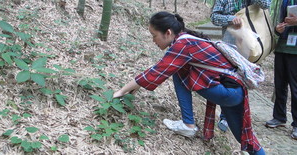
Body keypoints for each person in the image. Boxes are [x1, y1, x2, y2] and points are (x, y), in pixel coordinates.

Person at [113, 11, 265, 155]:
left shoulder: (183, 44)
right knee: (244, 138)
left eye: (154, 36)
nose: (153, 41)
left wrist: (121, 91)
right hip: (233, 91)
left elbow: (156, 71)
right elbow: (157, 72)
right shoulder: (188, 39)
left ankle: (188, 124)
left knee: (178, 71)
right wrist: (136, 86)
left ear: (168, 33)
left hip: (228, 92)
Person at [210, 0, 270, 132]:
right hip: (229, 42)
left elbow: (266, 4)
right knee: (228, 79)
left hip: (252, 42)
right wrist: (231, 19)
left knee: (245, 79)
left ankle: (242, 117)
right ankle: (225, 117)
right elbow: (214, 17)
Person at [265, 0, 297, 141]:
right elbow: (280, 21)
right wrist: (278, 29)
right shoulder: (285, 1)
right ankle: (279, 117)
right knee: (279, 85)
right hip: (282, 47)